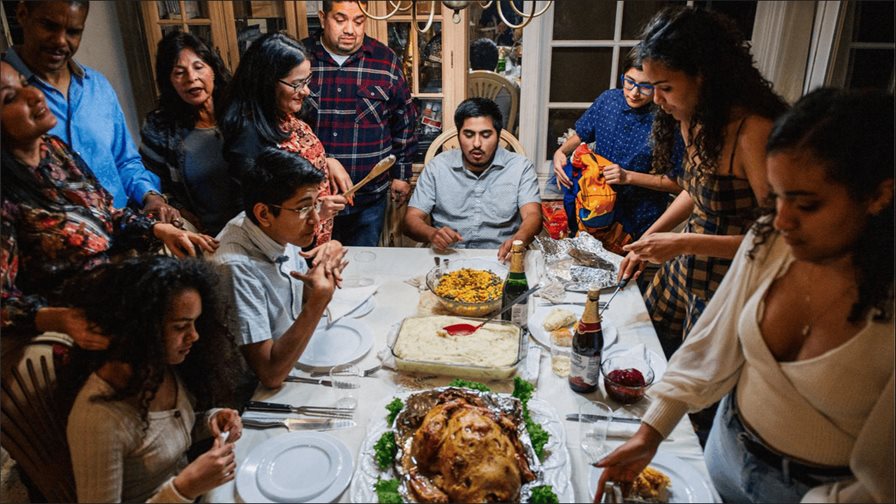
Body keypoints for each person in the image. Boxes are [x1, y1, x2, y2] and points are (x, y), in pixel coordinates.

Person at [594, 88, 894, 504]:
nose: (782, 220)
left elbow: (884, 479)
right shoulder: (769, 240)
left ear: (879, 195)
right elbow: (708, 344)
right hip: (725, 453)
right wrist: (651, 433)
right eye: (777, 196)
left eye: (806, 205)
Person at [0, 60, 218, 358]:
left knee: (204, 273)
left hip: (121, 276)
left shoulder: (54, 150)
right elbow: (4, 301)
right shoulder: (7, 191)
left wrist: (157, 228)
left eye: (25, 85)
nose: (35, 96)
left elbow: (107, 212)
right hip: (86, 303)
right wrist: (60, 318)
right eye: (10, 98)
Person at [618, 7, 788, 357]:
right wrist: (648, 239)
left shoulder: (753, 131)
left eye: (665, 88)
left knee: (696, 388)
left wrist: (682, 244)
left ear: (705, 77)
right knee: (648, 357)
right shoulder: (693, 118)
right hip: (686, 269)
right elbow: (697, 192)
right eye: (653, 87)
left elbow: (778, 241)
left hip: (730, 282)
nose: (657, 99)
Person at [64, 256, 244, 502]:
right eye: (181, 327)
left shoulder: (159, 366)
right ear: (140, 329)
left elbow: (163, 435)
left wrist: (211, 420)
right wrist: (184, 488)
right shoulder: (97, 420)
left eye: (195, 323)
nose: (195, 335)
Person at [6, 0, 181, 223]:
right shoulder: (7, 96)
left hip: (125, 231)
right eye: (49, 26)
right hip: (52, 246)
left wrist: (151, 197)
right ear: (22, 14)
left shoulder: (98, 87)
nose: (60, 41)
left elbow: (125, 161)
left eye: (73, 31)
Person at [212, 148, 346, 389]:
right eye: (304, 208)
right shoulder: (236, 267)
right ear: (263, 213)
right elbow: (270, 374)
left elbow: (299, 299)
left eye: (316, 204)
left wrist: (322, 269)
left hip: (296, 353)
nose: (316, 220)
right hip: (251, 393)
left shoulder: (276, 229)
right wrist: (319, 301)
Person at [302, 0, 418, 246]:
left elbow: (404, 121)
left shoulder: (385, 61)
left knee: (362, 270)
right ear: (323, 18)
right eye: (340, 19)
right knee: (314, 272)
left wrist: (402, 175)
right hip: (309, 199)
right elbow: (282, 125)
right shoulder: (301, 59)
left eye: (358, 21)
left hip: (368, 198)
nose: (350, 30)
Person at [551, 47, 684, 259]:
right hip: (595, 209)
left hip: (637, 218)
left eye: (645, 86)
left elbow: (678, 184)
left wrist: (628, 177)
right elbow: (582, 132)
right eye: (629, 81)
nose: (634, 92)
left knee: (626, 285)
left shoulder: (669, 118)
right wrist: (561, 152)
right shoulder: (608, 101)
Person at [219, 32, 349, 244]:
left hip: (311, 235)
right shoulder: (248, 137)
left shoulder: (281, 112)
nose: (306, 91)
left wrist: (327, 162)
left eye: (307, 80)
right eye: (296, 84)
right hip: (288, 249)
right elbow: (260, 218)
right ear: (267, 82)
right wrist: (318, 210)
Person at [403, 98, 541, 261]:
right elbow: (410, 220)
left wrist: (519, 239)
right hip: (448, 256)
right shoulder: (438, 167)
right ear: (459, 134)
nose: (477, 143)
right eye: (469, 134)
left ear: (498, 135)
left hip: (501, 257)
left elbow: (533, 215)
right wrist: (432, 234)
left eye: (486, 135)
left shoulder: (520, 167)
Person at [140, 31, 240, 236]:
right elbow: (152, 184)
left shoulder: (241, 113)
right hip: (199, 233)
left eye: (198, 67)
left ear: (213, 69)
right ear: (169, 81)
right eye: (179, 72)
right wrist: (180, 210)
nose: (191, 78)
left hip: (251, 227)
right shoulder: (159, 126)